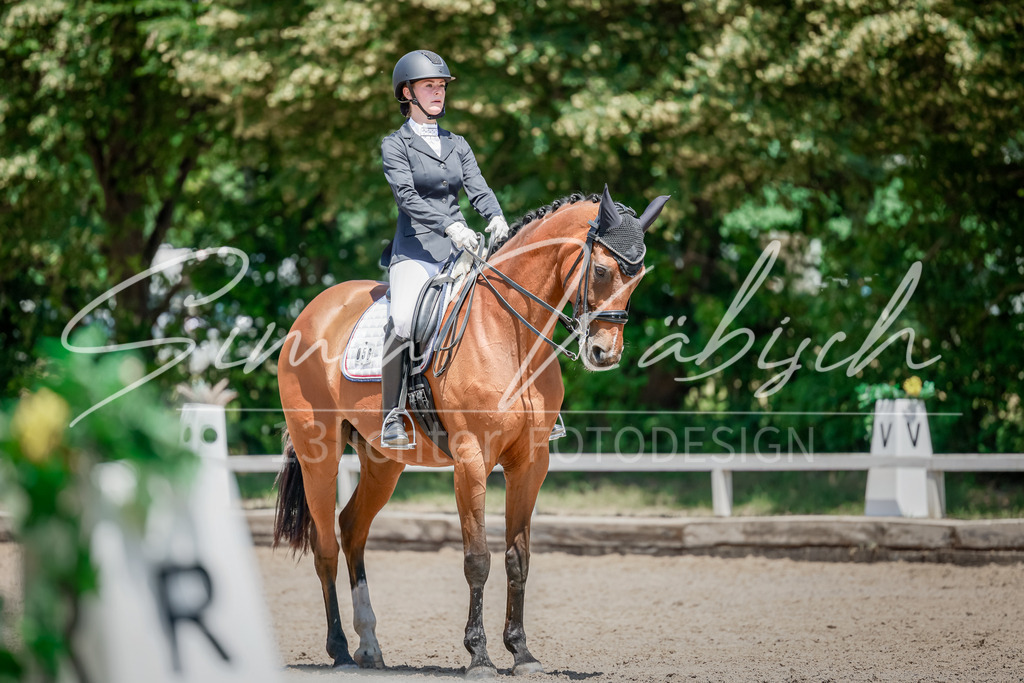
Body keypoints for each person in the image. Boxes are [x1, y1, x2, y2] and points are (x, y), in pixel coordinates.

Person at [379, 49, 509, 449]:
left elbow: (479, 188)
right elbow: (407, 198)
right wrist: (451, 225)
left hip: (460, 252)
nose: (438, 93)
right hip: (416, 251)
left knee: (506, 308)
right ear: (408, 93)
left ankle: (535, 406)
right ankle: (392, 414)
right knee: (402, 319)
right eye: (429, 86)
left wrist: (496, 217)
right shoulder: (394, 145)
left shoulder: (457, 144)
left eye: (441, 86)